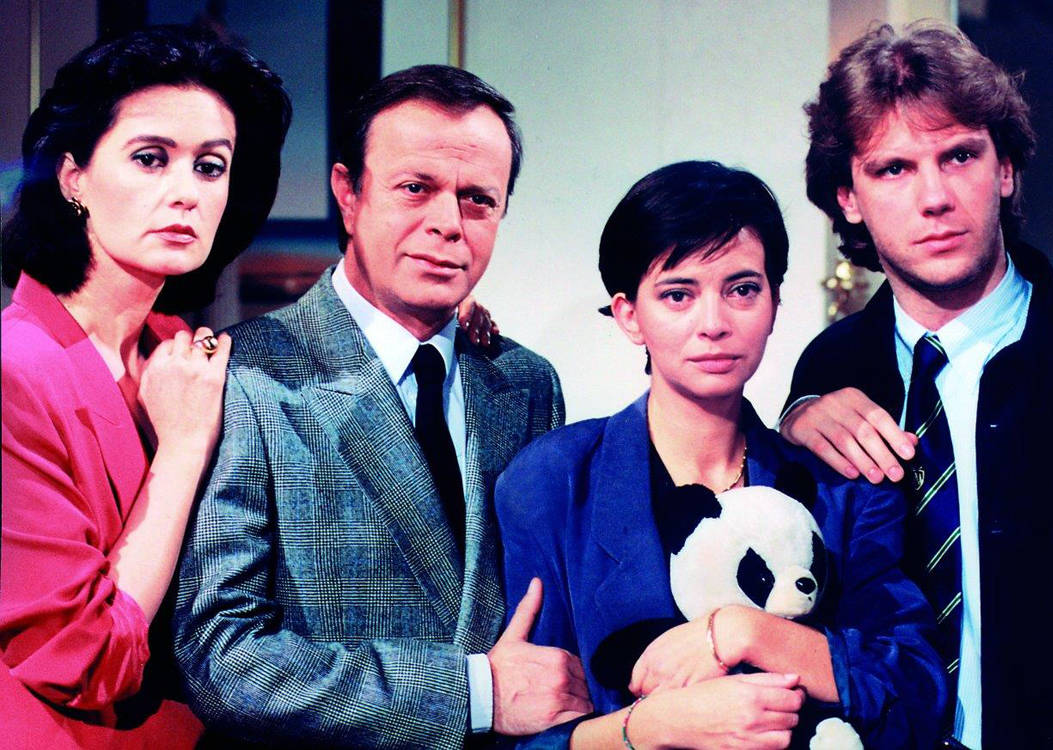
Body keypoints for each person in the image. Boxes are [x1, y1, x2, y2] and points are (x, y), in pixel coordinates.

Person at [172, 64, 592, 747]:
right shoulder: (244, 375)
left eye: (478, 200)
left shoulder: (525, 384)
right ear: (349, 194)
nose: (448, 225)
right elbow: (221, 657)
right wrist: (471, 692)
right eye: (416, 189)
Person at [495, 161, 945, 749]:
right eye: (678, 295)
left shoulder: (844, 487)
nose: (713, 324)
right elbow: (524, 730)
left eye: (742, 290)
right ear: (629, 315)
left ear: (775, 302)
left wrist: (746, 632)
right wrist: (647, 728)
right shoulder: (552, 481)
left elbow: (917, 692)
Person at [781, 21, 1053, 748]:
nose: (934, 197)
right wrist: (792, 419)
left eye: (958, 156)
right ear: (849, 197)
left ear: (1005, 169)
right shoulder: (828, 369)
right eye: (894, 168)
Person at [0, 25, 291, 748]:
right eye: (151, 158)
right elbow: (90, 659)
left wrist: (441, 323)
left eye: (210, 167)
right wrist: (184, 448)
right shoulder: (14, 371)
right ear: (72, 177)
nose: (185, 193)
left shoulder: (178, 348)